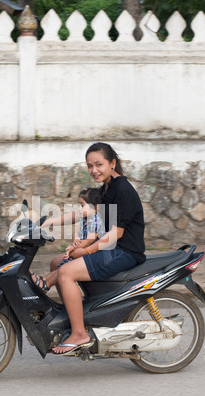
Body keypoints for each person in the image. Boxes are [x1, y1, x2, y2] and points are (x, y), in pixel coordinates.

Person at [37, 142, 146, 355]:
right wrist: (48, 222)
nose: (94, 170)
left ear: (112, 163)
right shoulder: (105, 189)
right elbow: (82, 213)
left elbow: (117, 234)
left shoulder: (122, 190)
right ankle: (75, 318)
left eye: (99, 164)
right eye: (90, 166)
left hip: (124, 252)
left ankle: (79, 334)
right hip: (110, 247)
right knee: (56, 262)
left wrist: (87, 251)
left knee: (66, 272)